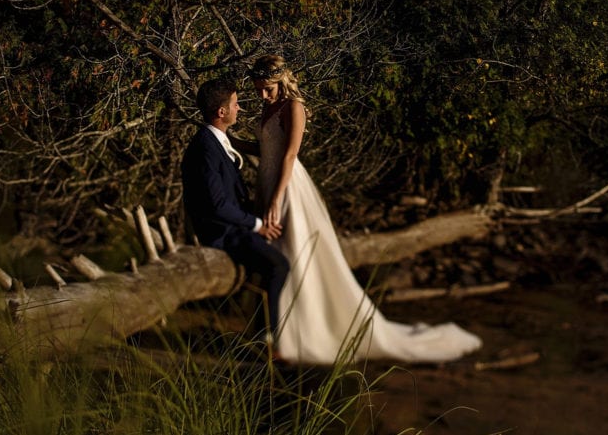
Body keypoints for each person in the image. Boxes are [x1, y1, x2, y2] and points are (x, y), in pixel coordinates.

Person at [246, 54, 482, 365]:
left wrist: (277, 198)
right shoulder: (268, 106)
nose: (263, 95)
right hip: (266, 182)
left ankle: (296, 335)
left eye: (268, 89)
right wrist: (227, 140)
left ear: (282, 82)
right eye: (259, 89)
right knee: (276, 255)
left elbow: (289, 156)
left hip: (286, 186)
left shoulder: (294, 107)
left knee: (293, 255)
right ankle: (275, 332)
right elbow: (265, 148)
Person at [181, 77, 290, 344]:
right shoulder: (204, 148)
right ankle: (268, 336)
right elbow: (217, 206)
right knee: (279, 265)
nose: (239, 108)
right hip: (222, 233)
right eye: (236, 103)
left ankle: (260, 329)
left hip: (234, 226)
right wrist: (257, 225)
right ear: (222, 112)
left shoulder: (217, 140)